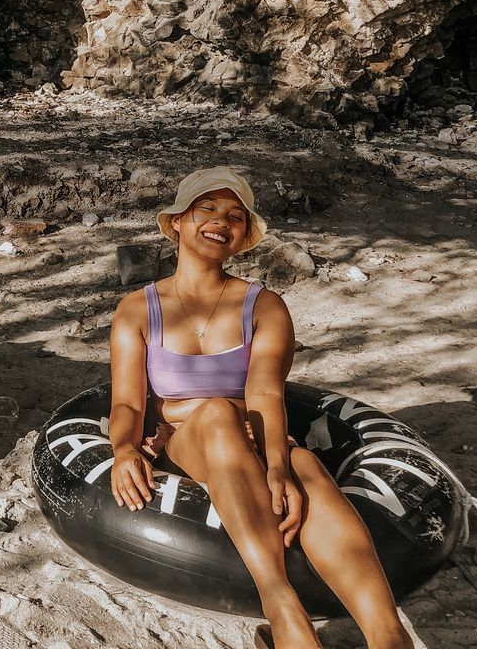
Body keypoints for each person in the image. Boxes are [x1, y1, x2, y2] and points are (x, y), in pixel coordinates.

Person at [106, 166, 414, 649]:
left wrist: (277, 466)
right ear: (179, 223)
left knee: (305, 464)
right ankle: (282, 604)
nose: (219, 221)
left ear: (242, 236)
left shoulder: (265, 306)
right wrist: (124, 449)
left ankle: (387, 634)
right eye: (205, 209)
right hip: (185, 445)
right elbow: (126, 400)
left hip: (249, 436)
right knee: (217, 412)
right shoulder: (137, 309)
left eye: (234, 215)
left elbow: (267, 394)